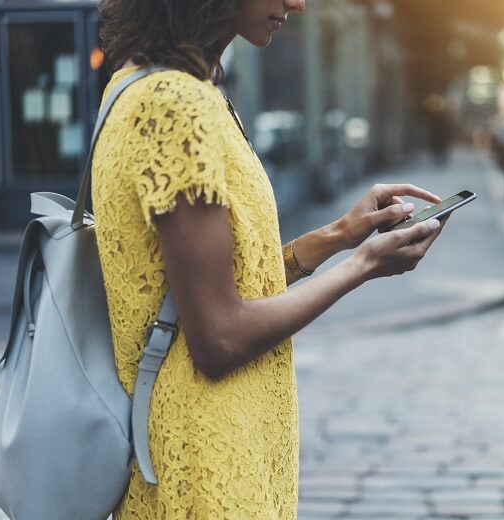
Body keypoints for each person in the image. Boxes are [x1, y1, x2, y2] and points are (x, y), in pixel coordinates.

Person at [93, 0, 448, 517]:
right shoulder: (175, 105)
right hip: (207, 460)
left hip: (221, 443)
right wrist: (364, 265)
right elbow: (218, 335)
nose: (297, 3)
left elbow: (210, 289)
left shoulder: (145, 86)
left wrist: (340, 234)